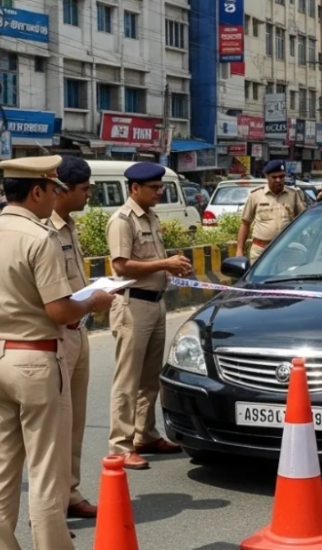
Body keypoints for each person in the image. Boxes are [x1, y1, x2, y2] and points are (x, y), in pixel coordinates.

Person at [0, 155, 114, 550]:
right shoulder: (39, 237)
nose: (55, 198)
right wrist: (93, 302)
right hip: (35, 359)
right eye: (53, 190)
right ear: (37, 191)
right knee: (48, 470)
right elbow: (60, 311)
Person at [106, 162, 192, 470]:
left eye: (160, 187)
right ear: (134, 189)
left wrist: (171, 265)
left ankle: (145, 433)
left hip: (154, 303)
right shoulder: (122, 221)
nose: (159, 192)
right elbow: (121, 266)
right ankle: (120, 445)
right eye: (154, 188)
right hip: (133, 305)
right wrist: (164, 264)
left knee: (149, 378)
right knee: (127, 380)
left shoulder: (151, 217)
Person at [43, 156, 98, 518]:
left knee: (76, 420)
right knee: (56, 426)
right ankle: (51, 504)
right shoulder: (43, 231)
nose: (89, 194)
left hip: (78, 332)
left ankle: (71, 490)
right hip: (57, 335)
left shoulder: (70, 227)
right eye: (83, 189)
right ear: (61, 191)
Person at [236, 160, 307, 263]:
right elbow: (245, 224)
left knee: (284, 278)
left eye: (281, 176)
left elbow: (303, 221)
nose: (278, 180)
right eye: (274, 177)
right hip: (261, 251)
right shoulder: (256, 195)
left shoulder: (293, 195)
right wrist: (239, 250)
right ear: (267, 176)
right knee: (258, 279)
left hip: (286, 251)